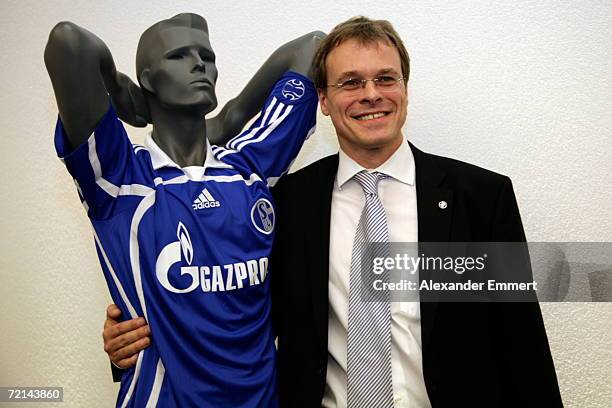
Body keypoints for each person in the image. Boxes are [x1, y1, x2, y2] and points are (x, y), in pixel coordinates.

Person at [103, 16, 563, 407]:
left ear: (404, 89)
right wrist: (128, 343)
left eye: (386, 78)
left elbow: (521, 344)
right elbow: (235, 308)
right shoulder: (288, 202)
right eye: (350, 82)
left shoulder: (481, 197)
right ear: (322, 100)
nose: (371, 94)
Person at [46, 13, 322, 407]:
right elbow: (68, 43)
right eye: (178, 55)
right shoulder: (121, 178)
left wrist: (231, 116)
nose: (200, 65)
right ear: (147, 78)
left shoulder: (249, 167)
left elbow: (312, 45)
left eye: (206, 56)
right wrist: (125, 95)